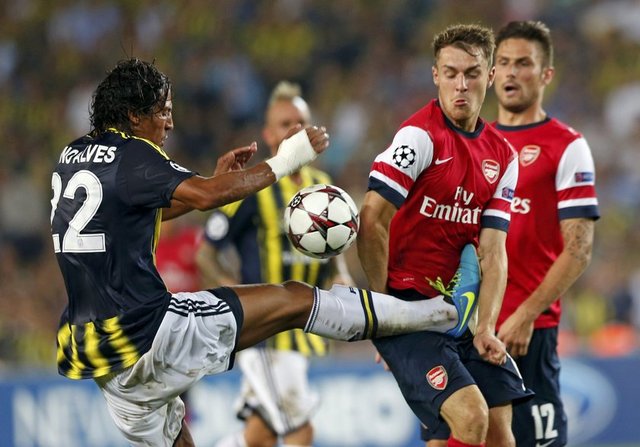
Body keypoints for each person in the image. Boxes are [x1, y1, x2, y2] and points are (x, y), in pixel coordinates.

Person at [50, 58, 478, 447]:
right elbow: (205, 197)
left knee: (189, 439)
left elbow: (144, 211)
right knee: (295, 300)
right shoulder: (133, 152)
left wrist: (212, 185)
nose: (170, 123)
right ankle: (441, 312)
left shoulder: (73, 155)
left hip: (99, 356)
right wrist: (287, 159)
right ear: (134, 115)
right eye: (163, 111)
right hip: (151, 330)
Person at [357, 24, 533, 447]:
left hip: (460, 312)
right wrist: (382, 310)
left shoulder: (502, 156)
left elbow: (493, 251)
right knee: (470, 418)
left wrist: (486, 326)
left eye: (472, 73)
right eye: (451, 73)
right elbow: (371, 219)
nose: (461, 85)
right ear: (435, 75)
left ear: (491, 76)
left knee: (500, 434)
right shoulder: (418, 138)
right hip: (407, 306)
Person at [196, 81, 352, 447]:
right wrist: (237, 296)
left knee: (259, 437)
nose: (295, 129)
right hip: (266, 333)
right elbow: (206, 253)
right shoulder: (252, 186)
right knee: (300, 431)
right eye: (285, 124)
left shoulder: (322, 185)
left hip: (304, 331)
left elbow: (335, 252)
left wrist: (342, 278)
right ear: (268, 135)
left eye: (301, 122)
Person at [492, 21, 599, 446]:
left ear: (546, 74)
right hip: (466, 328)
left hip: (526, 334)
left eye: (523, 63)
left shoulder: (566, 146)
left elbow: (579, 249)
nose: (512, 72)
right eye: (504, 62)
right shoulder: (472, 143)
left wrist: (526, 314)